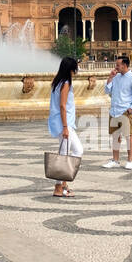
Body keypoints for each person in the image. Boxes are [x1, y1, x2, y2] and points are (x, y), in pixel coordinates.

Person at [48, 55, 82, 197]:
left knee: (67, 152)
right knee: (75, 151)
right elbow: (62, 105)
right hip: (63, 123)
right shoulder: (66, 82)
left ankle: (63, 184)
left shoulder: (58, 81)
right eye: (75, 68)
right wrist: (66, 127)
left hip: (60, 122)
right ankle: (58, 186)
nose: (76, 70)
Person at [103, 54, 132, 170]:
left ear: (124, 65)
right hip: (114, 110)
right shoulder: (116, 77)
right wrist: (110, 77)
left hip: (125, 111)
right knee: (115, 136)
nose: (116, 67)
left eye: (118, 65)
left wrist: (131, 109)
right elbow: (107, 90)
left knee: (128, 136)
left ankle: (130, 160)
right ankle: (115, 160)